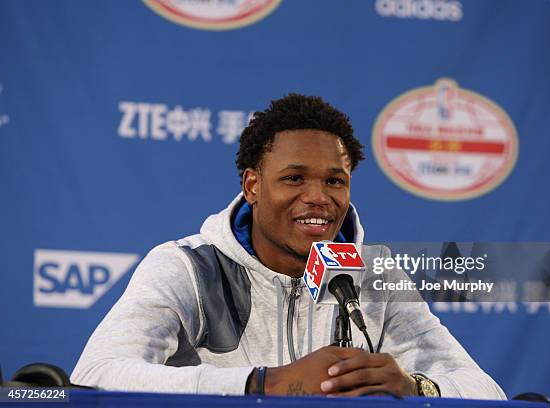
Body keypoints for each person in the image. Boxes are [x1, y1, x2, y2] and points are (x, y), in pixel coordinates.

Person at [71, 94, 506, 399]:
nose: (319, 197)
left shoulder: (376, 273)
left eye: (335, 180)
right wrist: (262, 384)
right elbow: (94, 376)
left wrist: (416, 387)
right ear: (254, 185)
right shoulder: (187, 266)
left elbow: (485, 389)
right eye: (295, 178)